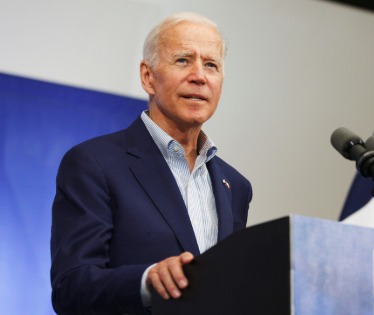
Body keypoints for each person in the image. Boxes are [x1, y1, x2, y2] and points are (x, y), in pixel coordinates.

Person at [50, 12, 252, 314]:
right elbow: (72, 287)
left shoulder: (235, 186)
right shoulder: (94, 163)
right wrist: (148, 281)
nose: (199, 75)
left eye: (211, 65)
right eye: (183, 60)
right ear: (148, 77)